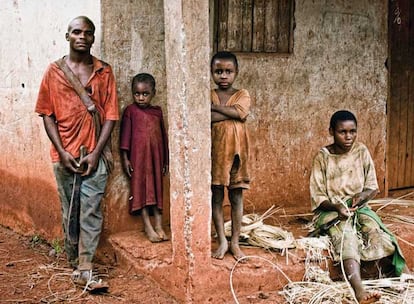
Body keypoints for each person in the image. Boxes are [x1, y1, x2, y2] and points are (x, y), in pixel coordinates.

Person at [35, 16, 119, 290]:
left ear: (93, 38)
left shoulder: (104, 72)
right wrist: (62, 150)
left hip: (94, 155)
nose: (82, 36)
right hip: (65, 155)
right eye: (77, 32)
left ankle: (85, 268)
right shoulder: (53, 72)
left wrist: (96, 153)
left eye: (88, 33)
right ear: (67, 36)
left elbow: (111, 116)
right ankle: (73, 259)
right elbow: (46, 114)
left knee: (91, 210)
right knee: (69, 209)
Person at [310, 110, 407, 304]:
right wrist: (337, 207)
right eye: (342, 132)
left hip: (359, 207)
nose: (348, 137)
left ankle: (403, 275)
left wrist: (361, 197)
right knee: (346, 237)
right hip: (332, 210)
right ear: (331, 131)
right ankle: (359, 290)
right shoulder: (323, 157)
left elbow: (372, 187)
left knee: (376, 232)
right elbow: (318, 196)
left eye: (352, 131)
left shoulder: (361, 151)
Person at [210, 51, 251, 261]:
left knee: (236, 196)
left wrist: (216, 110)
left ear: (236, 73)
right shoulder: (209, 94)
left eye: (228, 71)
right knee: (216, 196)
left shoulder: (243, 94)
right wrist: (229, 111)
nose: (223, 76)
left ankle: (235, 241)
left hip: (238, 154)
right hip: (216, 154)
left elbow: (241, 113)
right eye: (218, 72)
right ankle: (222, 240)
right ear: (211, 73)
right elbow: (205, 116)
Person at [120, 73, 169, 243]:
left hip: (155, 159)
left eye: (145, 94)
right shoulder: (130, 112)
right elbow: (124, 136)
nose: (141, 98)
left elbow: (163, 136)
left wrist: (165, 161)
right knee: (140, 190)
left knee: (156, 189)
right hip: (138, 160)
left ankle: (158, 225)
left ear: (153, 93)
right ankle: (147, 226)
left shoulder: (157, 112)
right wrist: (125, 159)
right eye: (137, 94)